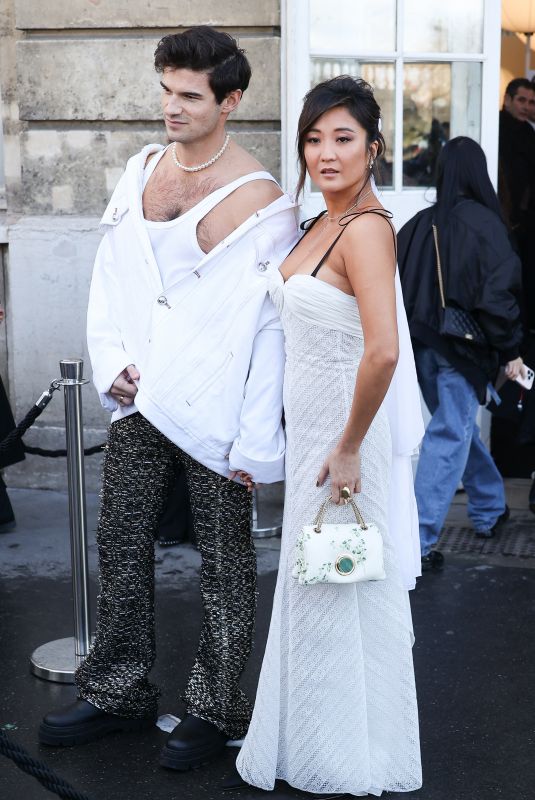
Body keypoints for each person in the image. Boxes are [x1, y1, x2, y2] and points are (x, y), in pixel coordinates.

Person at [39, 26, 298, 770]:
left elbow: (266, 331)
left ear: (231, 100)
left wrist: (254, 442)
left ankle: (215, 708)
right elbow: (111, 275)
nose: (172, 107)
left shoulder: (263, 203)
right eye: (166, 90)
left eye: (190, 95)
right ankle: (119, 687)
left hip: (214, 412)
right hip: (140, 400)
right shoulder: (141, 169)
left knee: (224, 562)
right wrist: (111, 359)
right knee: (120, 543)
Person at [235, 76, 423, 796]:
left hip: (344, 440)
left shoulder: (368, 228)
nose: (324, 152)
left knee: (339, 587)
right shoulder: (320, 221)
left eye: (342, 138)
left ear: (373, 148)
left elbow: (382, 351)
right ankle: (309, 740)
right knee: (317, 589)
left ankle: (344, 754)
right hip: (312, 428)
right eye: (313, 138)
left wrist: (347, 446)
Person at [398, 137, 524, 571]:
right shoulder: (487, 225)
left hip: (422, 347)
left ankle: (489, 505)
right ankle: (417, 541)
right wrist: (510, 349)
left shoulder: (416, 225)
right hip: (463, 352)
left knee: (455, 427)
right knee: (451, 433)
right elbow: (499, 298)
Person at [499, 78, 535, 330]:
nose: (526, 106)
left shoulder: (528, 131)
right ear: (508, 99)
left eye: (531, 102)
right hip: (504, 217)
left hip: (525, 220)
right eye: (521, 100)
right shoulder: (496, 127)